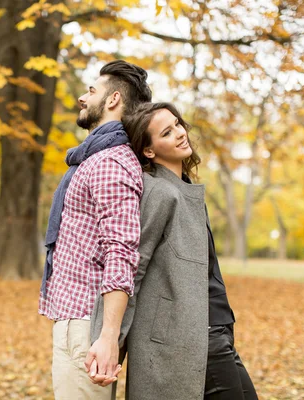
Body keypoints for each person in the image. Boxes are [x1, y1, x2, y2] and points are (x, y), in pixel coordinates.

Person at [90, 102, 258, 399]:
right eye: (167, 132)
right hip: (192, 337)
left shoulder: (185, 188)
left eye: (178, 124)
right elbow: (131, 267)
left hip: (216, 330)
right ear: (149, 150)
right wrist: (109, 340)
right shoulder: (159, 192)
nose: (180, 133)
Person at [38, 60, 152, 399]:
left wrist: (107, 336)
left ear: (114, 99)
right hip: (76, 320)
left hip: (87, 324)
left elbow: (121, 252)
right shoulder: (93, 159)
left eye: (91, 91)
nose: (81, 98)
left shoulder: (109, 162)